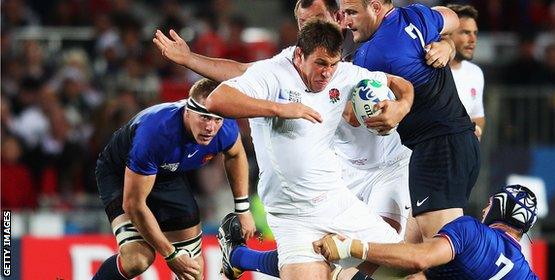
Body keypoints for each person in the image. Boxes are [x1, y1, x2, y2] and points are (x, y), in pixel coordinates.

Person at [153, 0, 454, 243]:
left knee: (392, 252)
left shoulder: (366, 48)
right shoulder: (292, 65)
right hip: (344, 174)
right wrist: (190, 59)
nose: (309, 29)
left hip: (387, 165)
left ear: (337, 17)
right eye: (302, 24)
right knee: (353, 258)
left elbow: (445, 27)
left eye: (316, 19)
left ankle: (244, 257)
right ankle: (244, 256)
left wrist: (446, 45)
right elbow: (242, 72)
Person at [204, 20, 414, 280]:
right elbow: (217, 100)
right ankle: (240, 256)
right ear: (299, 55)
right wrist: (280, 109)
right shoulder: (271, 73)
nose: (327, 73)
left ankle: (240, 257)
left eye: (333, 64)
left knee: (408, 269)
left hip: (335, 200)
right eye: (320, 64)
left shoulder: (343, 74)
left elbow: (400, 83)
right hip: (292, 214)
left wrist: (402, 106)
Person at [340, 0, 480, 241]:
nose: (346, 21)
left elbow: (352, 116)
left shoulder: (372, 55)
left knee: (441, 255)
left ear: (375, 7)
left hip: (436, 151)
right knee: (411, 255)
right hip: (459, 143)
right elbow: (452, 18)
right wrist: (447, 43)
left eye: (352, 12)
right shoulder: (415, 15)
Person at [92, 78, 256, 280]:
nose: (210, 128)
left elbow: (236, 154)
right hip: (121, 173)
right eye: (204, 117)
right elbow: (134, 204)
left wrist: (243, 208)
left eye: (216, 119)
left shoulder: (225, 126)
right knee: (137, 260)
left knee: (192, 269)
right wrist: (169, 254)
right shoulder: (155, 134)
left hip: (167, 174)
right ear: (187, 111)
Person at [313, 184, 539, 280]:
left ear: (498, 207)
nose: (483, 209)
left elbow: (420, 259)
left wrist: (351, 246)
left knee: (343, 273)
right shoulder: (526, 273)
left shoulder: (473, 231)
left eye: (489, 204)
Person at [447, 4, 486, 141]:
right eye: (465, 32)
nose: (473, 39)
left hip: (461, 157)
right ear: (447, 35)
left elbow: (477, 115)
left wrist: (477, 130)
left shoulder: (475, 73)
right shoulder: (428, 71)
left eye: (475, 33)